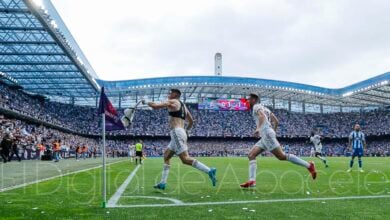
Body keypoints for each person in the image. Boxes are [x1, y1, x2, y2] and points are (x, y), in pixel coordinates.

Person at [240, 93, 317, 188]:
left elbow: (262, 116)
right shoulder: (266, 109)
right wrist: (273, 131)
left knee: (282, 156)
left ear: (255, 99)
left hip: (266, 134)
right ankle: (252, 181)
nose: (248, 100)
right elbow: (276, 121)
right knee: (251, 155)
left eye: (250, 98)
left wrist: (258, 128)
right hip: (266, 135)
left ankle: (309, 166)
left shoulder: (256, 107)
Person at [147, 89, 217, 190]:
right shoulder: (184, 106)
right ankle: (162, 183)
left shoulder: (173, 101)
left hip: (176, 132)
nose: (168, 94)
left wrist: (147, 102)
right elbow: (191, 121)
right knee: (166, 156)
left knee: (185, 159)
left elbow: (155, 106)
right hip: (181, 132)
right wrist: (186, 130)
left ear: (175, 94)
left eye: (170, 93)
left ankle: (209, 171)